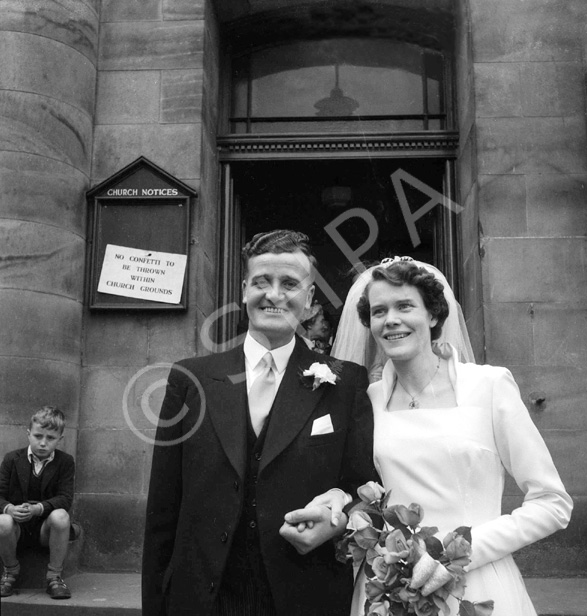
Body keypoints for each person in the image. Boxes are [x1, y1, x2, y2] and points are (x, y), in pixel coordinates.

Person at [287, 257, 573, 616]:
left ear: (434, 315)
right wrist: (337, 498)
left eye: (405, 306)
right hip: (388, 592)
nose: (391, 319)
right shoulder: (369, 400)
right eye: (379, 311)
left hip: (478, 586)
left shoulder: (490, 386)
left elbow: (553, 504)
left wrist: (458, 551)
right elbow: (360, 485)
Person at [142, 229, 377, 616]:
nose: (274, 295)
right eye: (262, 282)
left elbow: (362, 488)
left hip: (305, 595)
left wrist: (337, 519)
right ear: (243, 291)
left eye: (290, 284)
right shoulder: (191, 379)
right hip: (204, 598)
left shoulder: (347, 382)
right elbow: (163, 510)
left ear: (310, 299)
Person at [0, 406, 75, 599]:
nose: (43, 443)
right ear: (28, 434)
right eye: (38, 436)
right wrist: (9, 508)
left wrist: (38, 509)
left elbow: (65, 498)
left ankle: (54, 577)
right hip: (16, 529)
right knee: (2, 520)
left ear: (60, 439)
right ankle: (10, 571)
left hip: (45, 529)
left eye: (50, 438)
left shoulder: (65, 462)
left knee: (61, 516)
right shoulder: (11, 459)